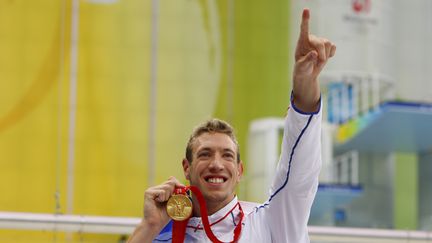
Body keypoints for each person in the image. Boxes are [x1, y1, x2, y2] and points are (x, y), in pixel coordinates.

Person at [128, 8, 336, 243]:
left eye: (227, 156)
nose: (216, 164)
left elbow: (298, 176)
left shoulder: (270, 223)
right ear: (187, 168)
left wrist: (304, 87)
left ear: (239, 171)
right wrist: (149, 226)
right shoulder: (161, 236)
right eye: (205, 154)